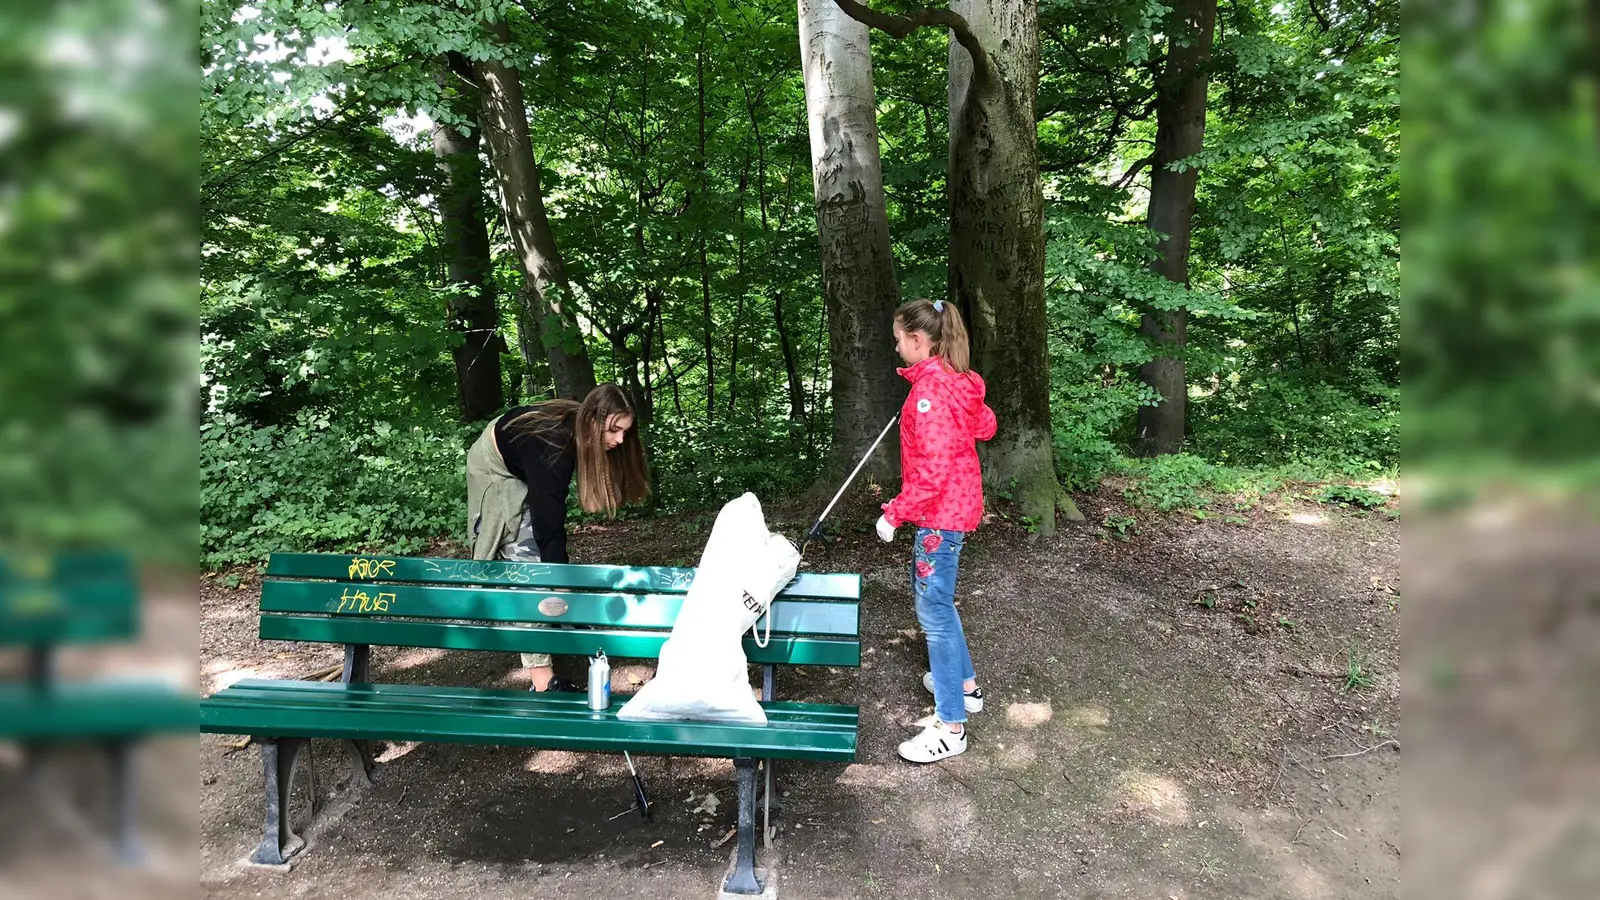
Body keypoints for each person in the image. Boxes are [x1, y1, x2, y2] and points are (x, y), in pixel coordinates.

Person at [466, 384, 651, 691]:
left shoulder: (574, 431)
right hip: (493, 465)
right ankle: (542, 681)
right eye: (614, 430)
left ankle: (555, 613)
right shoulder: (551, 446)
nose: (620, 440)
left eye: (625, 432)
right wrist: (559, 582)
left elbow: (550, 513)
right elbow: (548, 526)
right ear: (592, 419)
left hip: (522, 457)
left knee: (543, 560)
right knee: (527, 562)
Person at [875, 298, 997, 762]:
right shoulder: (956, 382)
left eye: (899, 338)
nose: (897, 346)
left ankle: (951, 727)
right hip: (954, 510)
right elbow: (985, 424)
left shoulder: (929, 393)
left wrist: (895, 513)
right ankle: (966, 689)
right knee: (939, 604)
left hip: (940, 515)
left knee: (934, 615)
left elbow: (932, 470)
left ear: (919, 340)